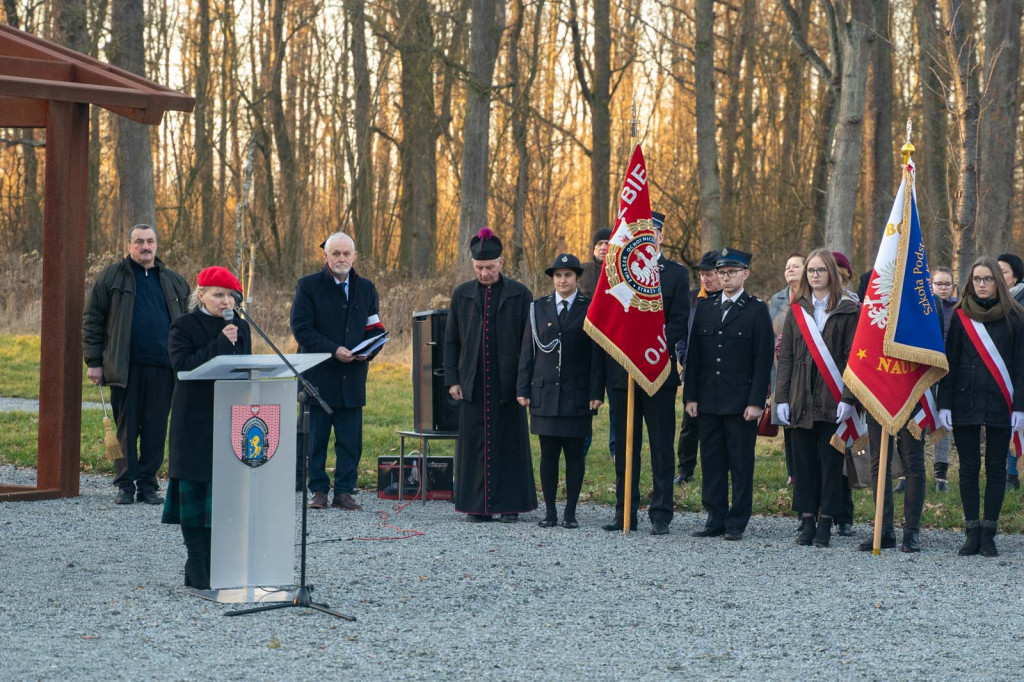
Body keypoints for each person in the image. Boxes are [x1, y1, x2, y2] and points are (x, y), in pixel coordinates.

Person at [82, 224, 190, 506]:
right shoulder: (111, 277)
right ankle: (125, 485)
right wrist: (94, 362)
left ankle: (148, 484)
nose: (145, 246)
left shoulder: (174, 281)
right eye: (139, 241)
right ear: (128, 246)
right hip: (125, 368)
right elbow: (93, 320)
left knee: (156, 428)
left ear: (157, 245)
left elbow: (188, 324)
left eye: (150, 241)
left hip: (164, 368)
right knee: (126, 430)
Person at [162, 266, 251, 590]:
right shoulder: (183, 325)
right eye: (218, 295)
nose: (225, 301)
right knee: (195, 491)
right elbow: (183, 366)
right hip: (193, 420)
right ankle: (195, 559)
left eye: (230, 296)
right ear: (200, 295)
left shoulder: (240, 326)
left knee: (221, 494)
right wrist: (219, 342)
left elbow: (244, 367)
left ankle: (215, 561)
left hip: (228, 416)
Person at [601, 210, 689, 535]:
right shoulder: (618, 272)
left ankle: (661, 513)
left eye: (653, 232)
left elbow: (679, 321)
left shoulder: (676, 274)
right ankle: (625, 511)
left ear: (662, 237)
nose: (647, 236)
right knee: (626, 446)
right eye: (641, 231)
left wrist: (650, 347)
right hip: (623, 372)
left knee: (661, 445)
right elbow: (608, 320)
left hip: (658, 370)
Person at [444, 228, 537, 522]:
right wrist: (452, 379)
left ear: (501, 262)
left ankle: (511, 504)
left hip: (508, 383)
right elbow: (451, 340)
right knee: (473, 445)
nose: (484, 273)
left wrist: (525, 383)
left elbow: (529, 342)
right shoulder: (462, 294)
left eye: (490, 267)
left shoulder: (520, 294)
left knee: (510, 442)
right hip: (472, 380)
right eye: (479, 268)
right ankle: (476, 506)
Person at [684, 248, 774, 540]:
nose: (725, 278)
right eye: (721, 273)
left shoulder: (756, 308)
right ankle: (715, 517)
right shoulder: (707, 307)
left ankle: (737, 521)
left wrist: (756, 402)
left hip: (740, 402)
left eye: (731, 273)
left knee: (740, 462)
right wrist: (691, 396)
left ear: (745, 274)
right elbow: (694, 356)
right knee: (711, 461)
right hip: (709, 399)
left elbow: (763, 360)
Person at [291, 232, 385, 511]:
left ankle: (344, 491)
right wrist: (335, 349)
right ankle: (318, 491)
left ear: (354, 257)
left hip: (353, 377)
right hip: (318, 378)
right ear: (326, 257)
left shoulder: (366, 288)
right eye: (336, 254)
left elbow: (374, 327)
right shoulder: (308, 286)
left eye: (346, 254)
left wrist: (370, 350)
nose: (342, 258)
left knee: (350, 440)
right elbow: (302, 329)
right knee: (316, 439)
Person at [937, 257, 1024, 557]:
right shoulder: (961, 316)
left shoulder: (1016, 316)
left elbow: (1021, 366)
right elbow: (950, 362)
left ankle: (990, 532)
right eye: (977, 279)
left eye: (987, 279)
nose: (982, 284)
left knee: (997, 468)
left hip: (1003, 400)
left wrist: (1020, 407)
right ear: (970, 283)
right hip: (964, 400)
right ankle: (971, 530)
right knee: (969, 468)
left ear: (998, 283)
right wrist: (943, 403)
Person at [775, 249, 860, 548]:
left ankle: (826, 521)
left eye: (820, 270)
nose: (814, 275)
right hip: (800, 397)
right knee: (803, 464)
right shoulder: (797, 308)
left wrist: (848, 399)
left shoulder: (850, 311)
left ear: (832, 275)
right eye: (811, 270)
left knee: (830, 464)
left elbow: (854, 359)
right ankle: (807, 519)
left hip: (833, 399)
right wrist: (781, 398)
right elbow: (786, 356)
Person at [517, 254, 605, 528]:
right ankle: (550, 512)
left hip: (577, 395)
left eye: (568, 275)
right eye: (558, 275)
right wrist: (523, 387)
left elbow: (596, 355)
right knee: (548, 454)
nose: (562, 280)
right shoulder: (538, 308)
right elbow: (527, 352)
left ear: (576, 277)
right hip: (544, 394)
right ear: (552, 279)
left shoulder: (589, 307)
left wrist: (596, 392)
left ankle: (570, 513)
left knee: (575, 454)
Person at [674, 250, 723, 485]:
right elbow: (681, 333)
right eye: (702, 275)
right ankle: (685, 469)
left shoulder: (728, 299)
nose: (705, 279)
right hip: (693, 372)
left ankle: (716, 469)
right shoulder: (692, 298)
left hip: (721, 374)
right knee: (689, 424)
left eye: (710, 274)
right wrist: (682, 355)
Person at [769, 252, 805, 485]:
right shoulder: (777, 299)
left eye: (795, 266)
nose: (789, 269)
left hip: (804, 366)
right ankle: (792, 472)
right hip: (780, 368)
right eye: (787, 266)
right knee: (787, 423)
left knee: (801, 422)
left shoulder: (811, 297)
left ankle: (805, 470)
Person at [997, 253, 1024, 491]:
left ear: (1015, 277)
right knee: (1006, 424)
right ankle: (1007, 473)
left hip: (1019, 371)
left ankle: (1014, 473)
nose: (997, 275)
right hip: (999, 373)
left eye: (1003, 271)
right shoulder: (991, 301)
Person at [931, 266, 957, 492]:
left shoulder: (959, 309)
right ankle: (906, 476)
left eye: (947, 284)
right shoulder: (924, 308)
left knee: (943, 424)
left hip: (948, 374)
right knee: (914, 424)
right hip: (925, 373)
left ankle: (941, 477)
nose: (943, 288)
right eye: (938, 284)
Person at [579, 229, 611, 297]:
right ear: (594, 249)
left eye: (607, 244)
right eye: (600, 244)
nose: (603, 247)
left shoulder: (620, 271)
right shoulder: (582, 270)